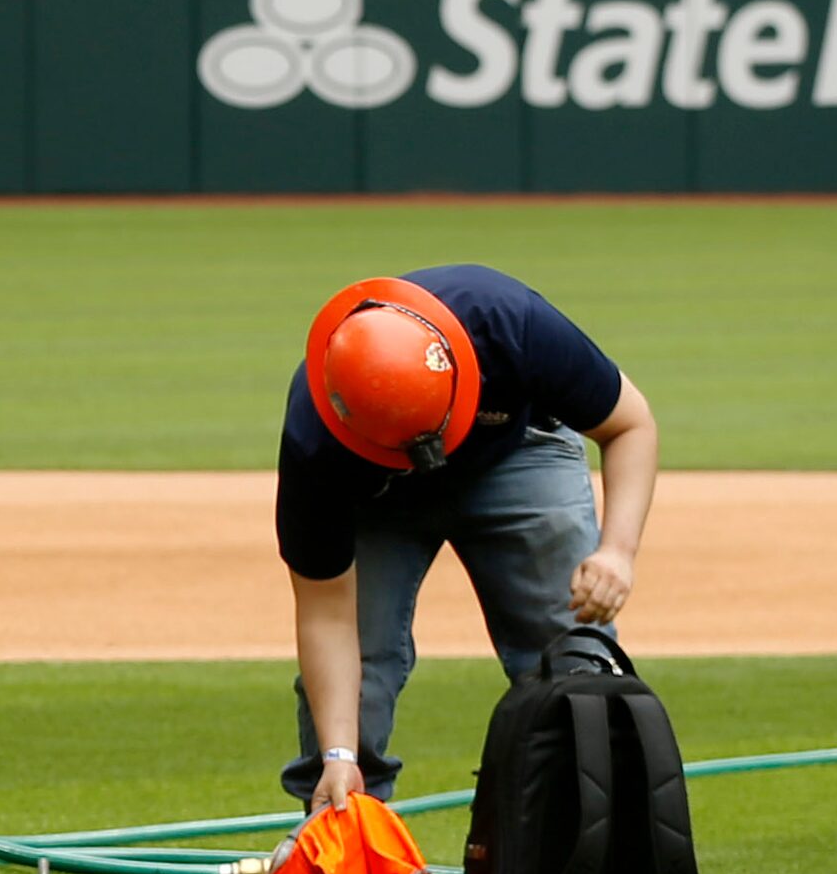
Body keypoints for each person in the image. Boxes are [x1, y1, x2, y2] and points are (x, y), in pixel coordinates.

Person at [281, 267, 657, 814]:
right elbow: (326, 616)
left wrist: (617, 551)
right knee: (363, 669)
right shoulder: (317, 439)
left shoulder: (509, 323)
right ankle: (345, 842)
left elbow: (631, 424)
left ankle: (585, 838)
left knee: (568, 652)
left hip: (518, 452)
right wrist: (339, 753)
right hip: (379, 492)